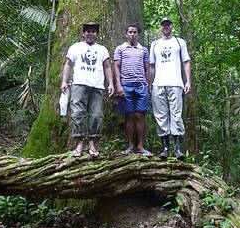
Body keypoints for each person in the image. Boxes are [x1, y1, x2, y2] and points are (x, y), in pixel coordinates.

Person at [61, 22, 114, 157]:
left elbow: (107, 66)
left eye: (93, 31)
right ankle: (79, 143)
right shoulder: (75, 48)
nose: (91, 34)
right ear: (83, 33)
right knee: (78, 113)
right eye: (88, 31)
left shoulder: (102, 49)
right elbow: (68, 64)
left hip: (97, 85)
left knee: (96, 114)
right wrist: (64, 81)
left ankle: (92, 143)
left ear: (97, 34)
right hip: (79, 84)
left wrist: (111, 84)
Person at [150, 17, 191, 159]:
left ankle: (178, 149)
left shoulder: (179, 42)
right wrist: (150, 84)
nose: (166, 27)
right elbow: (152, 66)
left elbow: (186, 61)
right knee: (161, 116)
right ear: (160, 27)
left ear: (172, 27)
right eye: (163, 25)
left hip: (176, 83)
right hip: (158, 84)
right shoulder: (155, 44)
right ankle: (165, 148)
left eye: (168, 25)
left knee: (176, 115)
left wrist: (188, 81)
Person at [114, 23, 152, 156]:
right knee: (129, 115)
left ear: (138, 34)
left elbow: (147, 68)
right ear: (126, 34)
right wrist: (118, 85)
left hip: (141, 85)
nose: (132, 34)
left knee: (140, 115)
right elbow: (116, 67)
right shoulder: (120, 49)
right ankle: (130, 146)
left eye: (135, 32)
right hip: (126, 85)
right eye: (130, 32)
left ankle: (140, 146)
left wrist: (148, 85)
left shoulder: (144, 50)